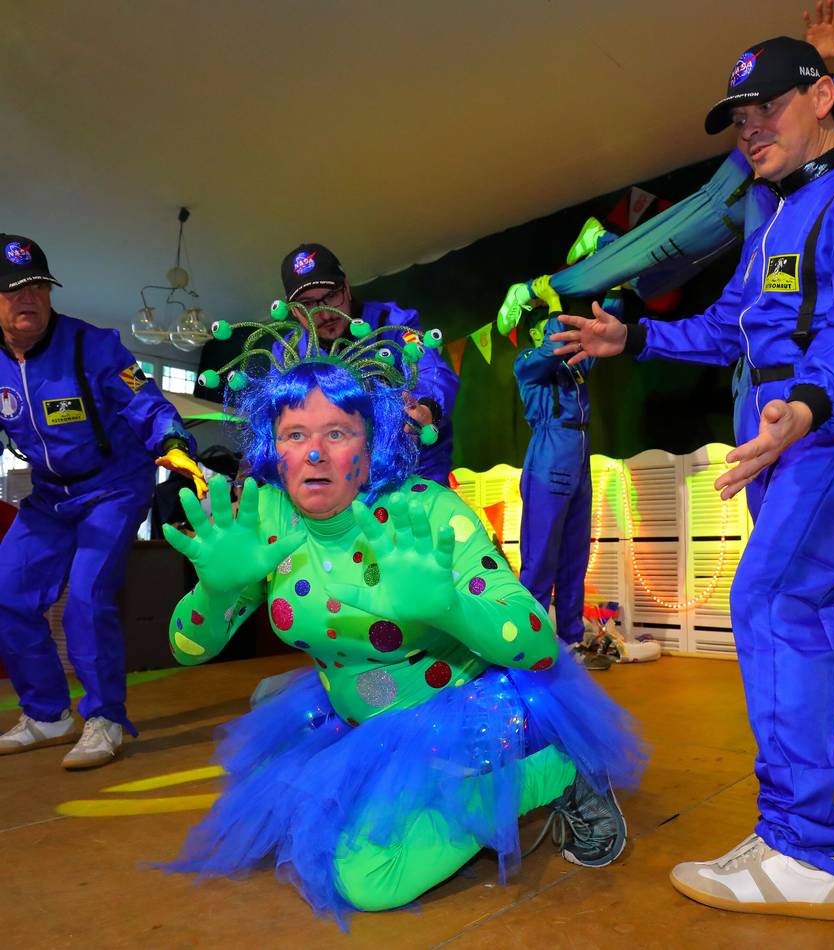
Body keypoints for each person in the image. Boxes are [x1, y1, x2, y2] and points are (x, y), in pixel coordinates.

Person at [552, 36, 834, 921]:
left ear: (825, 100)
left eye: (768, 106)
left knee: (772, 602)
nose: (750, 127)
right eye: (739, 116)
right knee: (822, 624)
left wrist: (805, 407)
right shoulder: (771, 207)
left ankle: (802, 853)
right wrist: (638, 338)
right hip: (777, 442)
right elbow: (734, 325)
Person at [162, 310, 643, 926]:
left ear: (373, 440)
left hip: (472, 708)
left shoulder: (427, 513)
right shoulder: (266, 522)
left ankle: (556, 771)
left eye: (337, 432)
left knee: (369, 879)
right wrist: (211, 590)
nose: (314, 451)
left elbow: (536, 643)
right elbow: (188, 649)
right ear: (271, 446)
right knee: (290, 800)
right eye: (294, 433)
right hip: (355, 714)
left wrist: (449, 604)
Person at [496, 1, 834, 335]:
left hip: (729, 232)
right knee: (616, 269)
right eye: (743, 121)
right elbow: (775, 93)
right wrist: (814, 60)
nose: (750, 128)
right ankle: (529, 290)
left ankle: (602, 239)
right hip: (711, 212)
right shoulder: (767, 144)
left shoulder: (810, 173)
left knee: (651, 284)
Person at [0, 234, 207, 769]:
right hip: (49, 495)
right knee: (7, 593)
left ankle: (105, 718)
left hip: (113, 486)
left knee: (89, 597)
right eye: (12, 291)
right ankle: (48, 714)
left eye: (37, 287)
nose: (28, 300)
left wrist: (174, 444)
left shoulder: (91, 345)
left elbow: (144, 400)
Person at [281, 242, 459, 484]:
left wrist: (426, 407)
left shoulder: (392, 323)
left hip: (415, 475)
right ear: (292, 311)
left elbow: (431, 369)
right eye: (307, 305)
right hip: (337, 485)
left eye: (331, 295)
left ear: (347, 288)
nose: (323, 313)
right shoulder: (287, 353)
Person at [514, 316, 610, 671]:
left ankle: (571, 640)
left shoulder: (575, 366)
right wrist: (553, 307)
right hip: (549, 450)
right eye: (551, 328)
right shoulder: (528, 363)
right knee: (540, 558)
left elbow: (599, 343)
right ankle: (531, 643)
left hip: (579, 455)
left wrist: (614, 289)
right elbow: (550, 349)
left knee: (574, 556)